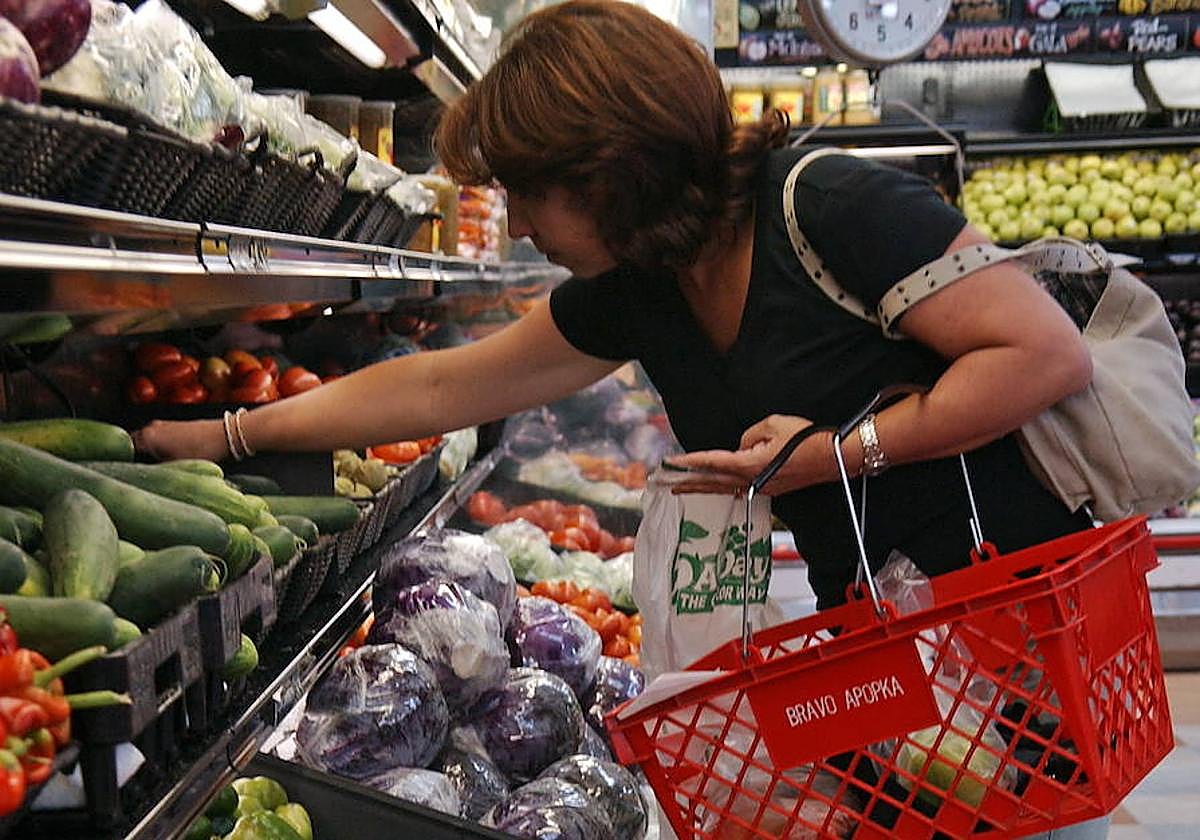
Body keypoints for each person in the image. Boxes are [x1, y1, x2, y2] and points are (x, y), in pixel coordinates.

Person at [136, 2, 1107, 837]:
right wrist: (227, 437)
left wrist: (841, 453)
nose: (516, 226)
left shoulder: (832, 206)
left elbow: (1043, 353)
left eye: (525, 191)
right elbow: (439, 390)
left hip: (1015, 629)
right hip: (885, 642)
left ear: (605, 167)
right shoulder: (645, 285)